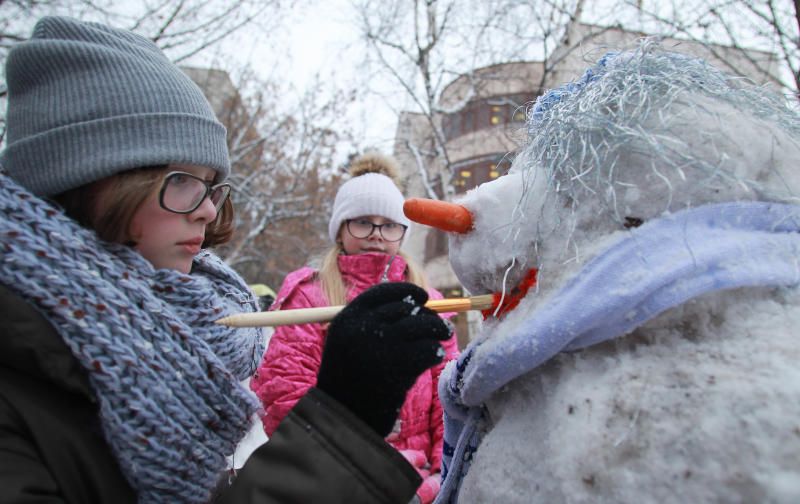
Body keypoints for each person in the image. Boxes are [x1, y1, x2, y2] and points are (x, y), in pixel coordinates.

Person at [0, 16, 450, 503]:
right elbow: (283, 393)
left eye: (211, 185)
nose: (210, 210)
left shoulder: (175, 334)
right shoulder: (27, 379)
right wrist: (344, 424)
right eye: (181, 180)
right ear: (89, 178)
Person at [250, 153, 460, 504]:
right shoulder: (310, 297)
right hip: (337, 483)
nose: (377, 235)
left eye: (390, 224)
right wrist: (373, 473)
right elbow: (284, 397)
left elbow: (448, 399)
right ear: (341, 228)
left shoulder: (428, 300)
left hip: (425, 487)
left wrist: (439, 480)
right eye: (363, 222)